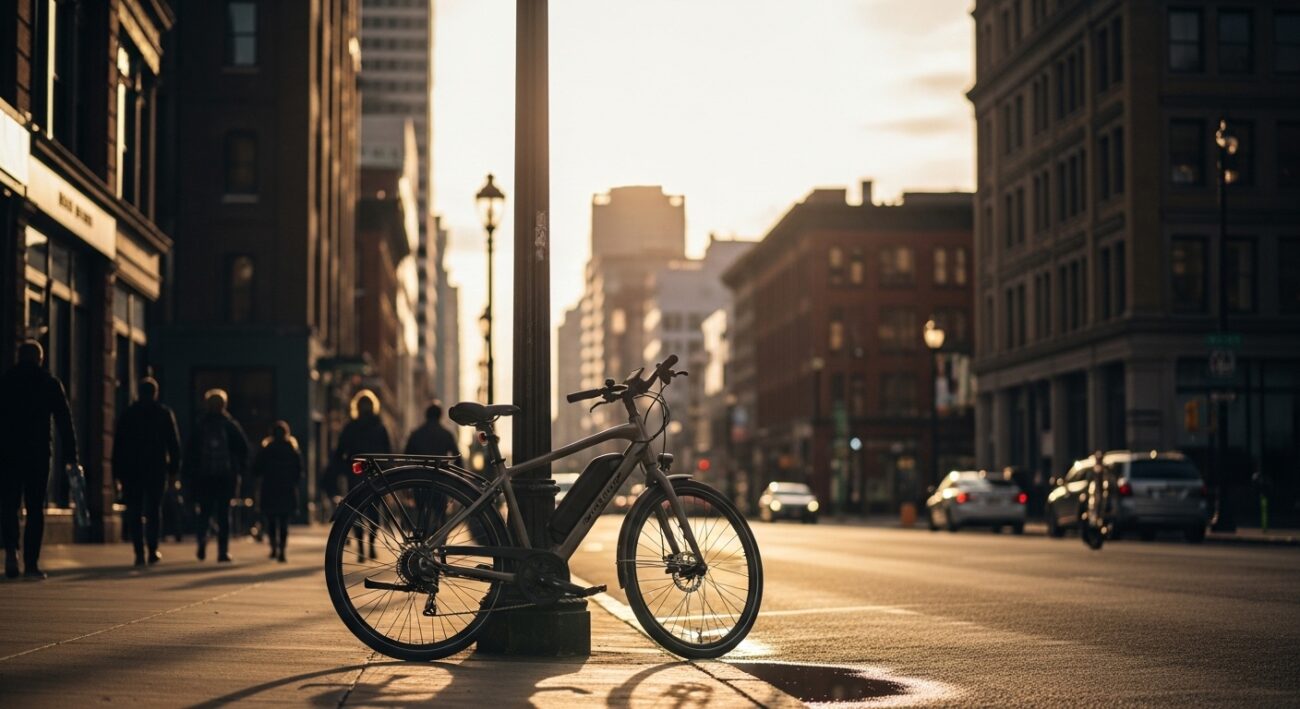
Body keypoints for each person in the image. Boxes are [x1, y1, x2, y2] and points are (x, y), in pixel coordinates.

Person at [0, 340, 79, 580]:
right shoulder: (49, 383)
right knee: (35, 508)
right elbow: (65, 422)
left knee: (9, 504)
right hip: (38, 453)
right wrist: (71, 457)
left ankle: (11, 552)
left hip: (9, 452)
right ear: (40, 359)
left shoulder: (6, 381)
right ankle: (32, 563)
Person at [112, 377, 182, 566]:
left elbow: (118, 445)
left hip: (131, 470)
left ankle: (138, 551)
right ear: (155, 393)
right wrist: (174, 471)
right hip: (156, 469)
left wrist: (116, 473)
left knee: (134, 510)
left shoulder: (128, 414)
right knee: (153, 509)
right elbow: (173, 444)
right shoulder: (163, 413)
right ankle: (152, 549)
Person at [185, 389, 250, 563]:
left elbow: (190, 452)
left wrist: (189, 475)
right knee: (223, 514)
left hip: (204, 477)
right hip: (225, 477)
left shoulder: (201, 425)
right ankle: (223, 551)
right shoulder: (230, 425)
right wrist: (239, 470)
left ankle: (202, 542)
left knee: (204, 513)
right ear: (224, 405)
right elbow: (244, 449)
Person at [334, 390, 391, 561]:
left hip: (356, 472)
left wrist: (343, 469)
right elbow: (387, 453)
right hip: (375, 473)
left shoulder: (351, 427)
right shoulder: (380, 427)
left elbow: (340, 451)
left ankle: (360, 548)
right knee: (375, 512)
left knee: (356, 511)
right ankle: (371, 546)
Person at [252, 421, 302, 563]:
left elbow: (256, 468)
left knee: (272, 521)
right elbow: (299, 470)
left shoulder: (267, 448)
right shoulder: (292, 448)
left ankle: (274, 547)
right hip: (286, 489)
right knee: (284, 522)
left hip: (270, 488)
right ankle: (282, 550)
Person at [404, 401, 462, 465]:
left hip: (419, 472)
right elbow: (457, 457)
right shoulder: (447, 435)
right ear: (440, 416)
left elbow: (406, 456)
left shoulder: (415, 434)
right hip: (440, 472)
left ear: (426, 415)